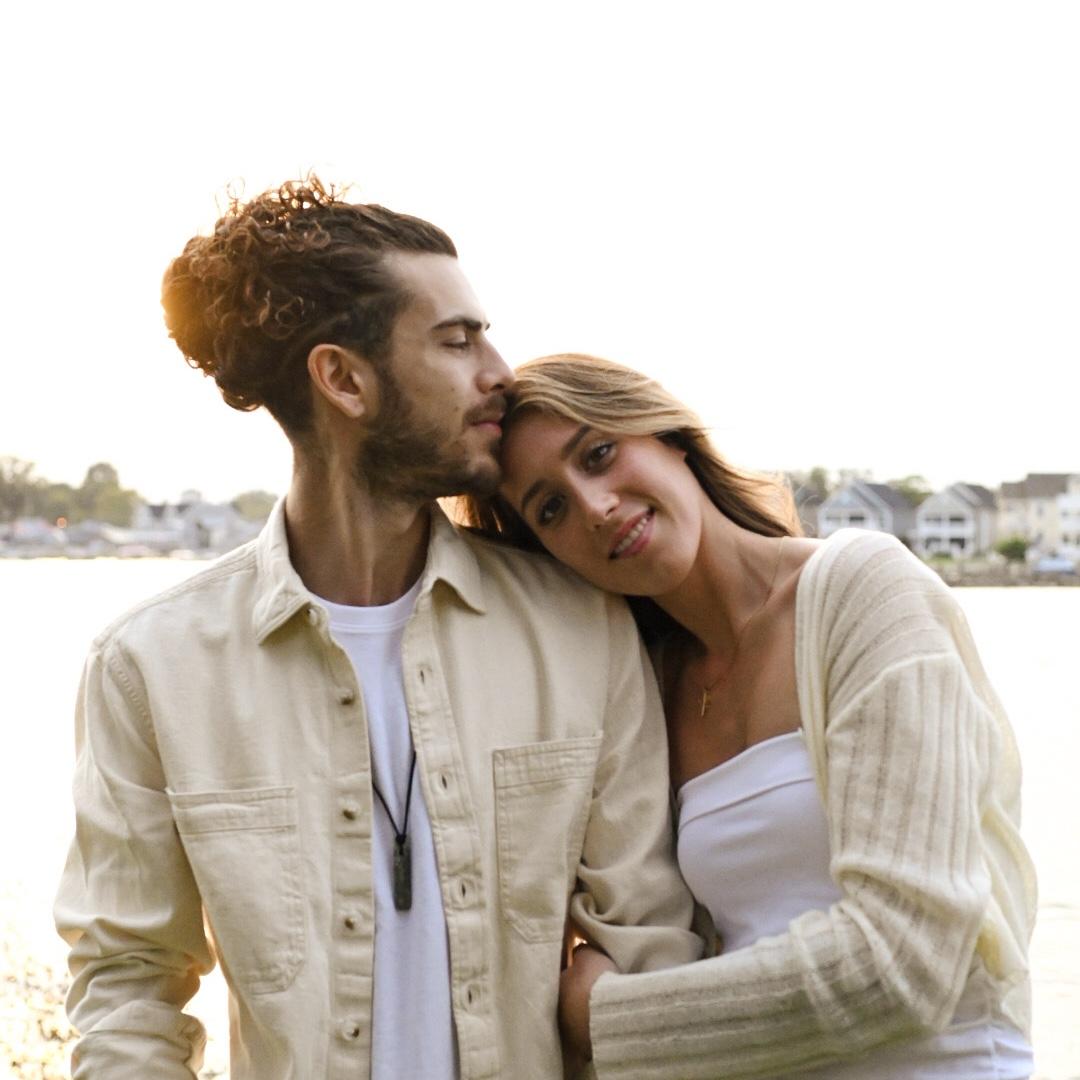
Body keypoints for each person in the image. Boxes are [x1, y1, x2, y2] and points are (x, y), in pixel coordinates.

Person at [53, 184, 701, 1080]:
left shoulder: (582, 627)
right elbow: (128, 986)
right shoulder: (150, 669)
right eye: (457, 340)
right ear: (345, 380)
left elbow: (649, 946)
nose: (499, 373)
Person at [466, 352, 1038, 1079]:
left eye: (599, 454)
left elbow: (906, 961)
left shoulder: (863, 592)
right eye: (550, 509)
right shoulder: (644, 687)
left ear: (667, 435)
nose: (595, 506)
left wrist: (601, 1020)